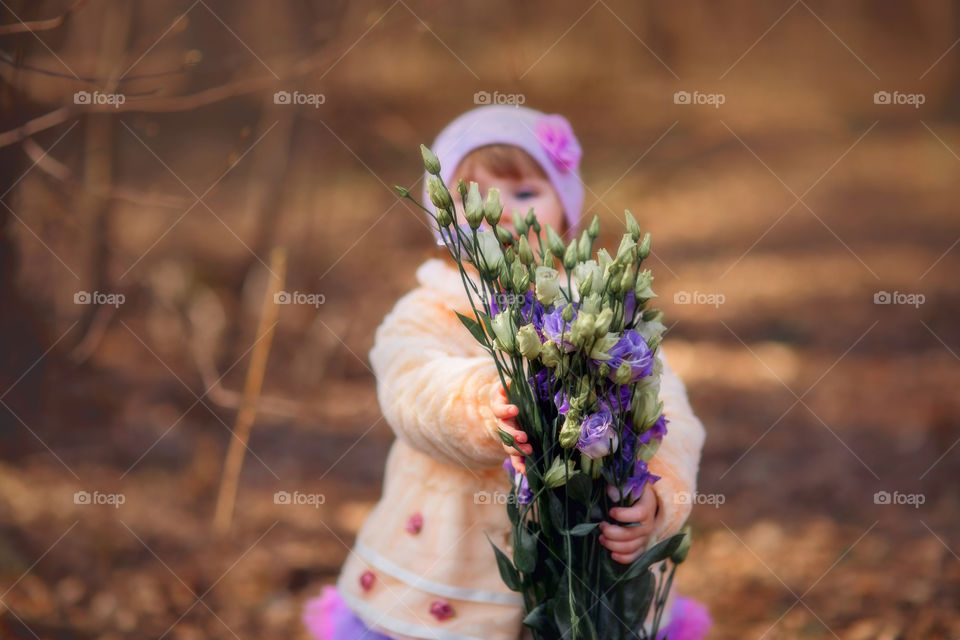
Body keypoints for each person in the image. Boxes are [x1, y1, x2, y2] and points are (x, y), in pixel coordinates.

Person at [303, 105, 711, 640]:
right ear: (447, 221)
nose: (508, 216)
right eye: (477, 200)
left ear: (566, 210)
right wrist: (480, 402)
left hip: (585, 580)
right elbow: (410, 386)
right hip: (450, 581)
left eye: (525, 195)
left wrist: (658, 500)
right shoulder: (430, 309)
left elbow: (668, 411)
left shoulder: (602, 310)